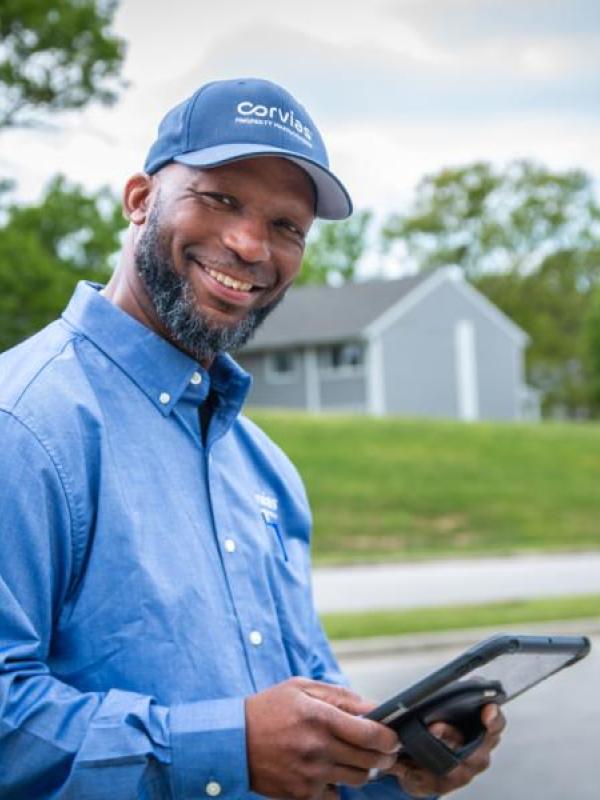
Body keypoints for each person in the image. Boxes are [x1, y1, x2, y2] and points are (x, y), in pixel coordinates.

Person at [0, 77, 504, 799]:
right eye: (221, 199)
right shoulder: (23, 424)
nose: (248, 245)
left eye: (286, 226)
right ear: (141, 200)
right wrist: (223, 748)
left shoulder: (265, 472)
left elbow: (302, 743)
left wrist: (396, 768)